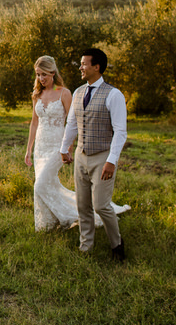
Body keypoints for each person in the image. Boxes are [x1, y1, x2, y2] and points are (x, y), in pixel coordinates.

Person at [24, 55, 129, 232]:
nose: (41, 78)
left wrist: (69, 147)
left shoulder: (64, 93)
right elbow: (34, 123)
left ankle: (69, 217)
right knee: (48, 184)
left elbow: (74, 122)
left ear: (53, 73)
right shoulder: (37, 94)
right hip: (40, 147)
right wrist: (29, 149)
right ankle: (47, 223)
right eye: (38, 75)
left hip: (58, 146)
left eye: (44, 74)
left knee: (40, 184)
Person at [60, 48, 129, 260]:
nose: (80, 67)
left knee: (101, 205)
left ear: (96, 67)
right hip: (81, 155)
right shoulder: (79, 92)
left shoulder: (114, 94)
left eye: (84, 64)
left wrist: (111, 161)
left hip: (102, 157)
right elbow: (72, 123)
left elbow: (120, 131)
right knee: (82, 205)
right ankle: (85, 246)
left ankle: (117, 244)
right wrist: (64, 148)